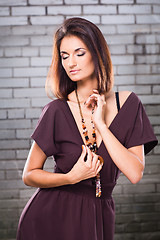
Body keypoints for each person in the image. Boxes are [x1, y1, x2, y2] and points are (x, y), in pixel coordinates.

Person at [16, 17, 158, 240]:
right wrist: (71, 177)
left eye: (79, 53)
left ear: (97, 53)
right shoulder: (56, 110)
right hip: (50, 219)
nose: (71, 63)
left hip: (99, 215)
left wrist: (100, 123)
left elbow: (134, 173)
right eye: (65, 56)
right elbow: (29, 174)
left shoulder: (129, 104)